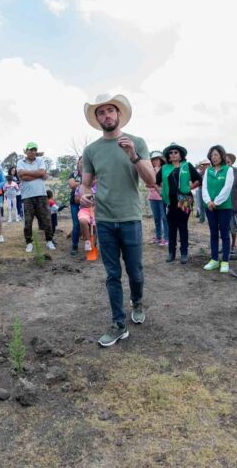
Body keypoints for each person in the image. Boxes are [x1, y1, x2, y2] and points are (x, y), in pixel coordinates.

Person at [81, 93, 155, 347]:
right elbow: (85, 184)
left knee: (135, 272)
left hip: (130, 218)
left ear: (119, 114)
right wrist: (84, 195)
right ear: (97, 118)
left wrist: (134, 155)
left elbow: (151, 180)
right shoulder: (91, 150)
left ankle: (137, 301)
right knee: (112, 274)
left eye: (110, 111)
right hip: (103, 220)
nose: (106, 116)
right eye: (101, 113)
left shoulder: (137, 142)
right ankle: (118, 324)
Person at [156, 142, 202, 264]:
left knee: (182, 226)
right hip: (169, 201)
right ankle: (171, 253)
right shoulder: (165, 168)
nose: (173, 154)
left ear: (180, 155)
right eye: (171, 153)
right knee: (171, 227)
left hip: (185, 200)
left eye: (175, 152)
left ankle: (184, 254)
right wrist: (160, 191)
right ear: (168, 156)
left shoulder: (187, 166)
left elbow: (198, 179)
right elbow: (156, 182)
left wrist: (190, 188)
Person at [17, 142, 55, 253]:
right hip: (27, 197)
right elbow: (22, 176)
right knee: (28, 222)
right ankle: (29, 242)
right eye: (30, 150)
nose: (33, 152)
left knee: (46, 220)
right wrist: (38, 175)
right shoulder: (20, 162)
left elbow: (42, 172)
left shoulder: (40, 161)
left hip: (41, 195)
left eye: (34, 150)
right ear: (26, 151)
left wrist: (29, 174)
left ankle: (49, 240)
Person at [202, 145, 235, 274]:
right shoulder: (208, 171)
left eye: (216, 155)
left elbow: (227, 189)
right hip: (209, 207)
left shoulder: (228, 170)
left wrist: (216, 202)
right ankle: (214, 259)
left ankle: (225, 261)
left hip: (224, 207)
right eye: (212, 155)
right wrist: (209, 201)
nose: (214, 157)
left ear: (221, 155)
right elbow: (204, 188)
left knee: (224, 234)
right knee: (213, 233)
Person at [147, 151, 168, 246]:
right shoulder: (150, 170)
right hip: (152, 197)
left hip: (162, 197)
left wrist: (154, 184)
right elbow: (147, 184)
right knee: (156, 218)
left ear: (161, 160)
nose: (155, 161)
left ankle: (166, 238)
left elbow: (163, 183)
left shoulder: (164, 169)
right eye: (153, 160)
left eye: (157, 159)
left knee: (164, 218)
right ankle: (158, 237)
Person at [225, 153, 237, 257]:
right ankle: (225, 245)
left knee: (233, 227)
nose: (227, 164)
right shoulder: (221, 171)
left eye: (228, 162)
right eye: (225, 162)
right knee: (224, 227)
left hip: (234, 203)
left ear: (231, 163)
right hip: (222, 204)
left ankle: (233, 245)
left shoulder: (236, 171)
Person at [77, 180, 97, 251]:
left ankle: (93, 247)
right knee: (82, 221)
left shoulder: (99, 186)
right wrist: (83, 198)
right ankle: (87, 242)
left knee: (94, 228)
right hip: (84, 210)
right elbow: (76, 198)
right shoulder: (81, 187)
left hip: (95, 210)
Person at [68, 157, 83, 255]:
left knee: (93, 225)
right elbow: (72, 185)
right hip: (75, 203)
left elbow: (96, 183)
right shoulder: (73, 174)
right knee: (76, 224)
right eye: (81, 162)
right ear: (78, 163)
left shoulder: (92, 173)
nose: (83, 164)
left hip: (89, 204)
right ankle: (74, 245)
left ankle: (93, 245)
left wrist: (78, 184)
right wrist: (85, 183)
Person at [194, 159, 210, 223]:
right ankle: (202, 218)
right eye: (202, 165)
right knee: (201, 205)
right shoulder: (200, 172)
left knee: (208, 204)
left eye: (204, 165)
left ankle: (207, 219)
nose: (202, 166)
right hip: (201, 189)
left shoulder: (210, 172)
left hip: (208, 190)